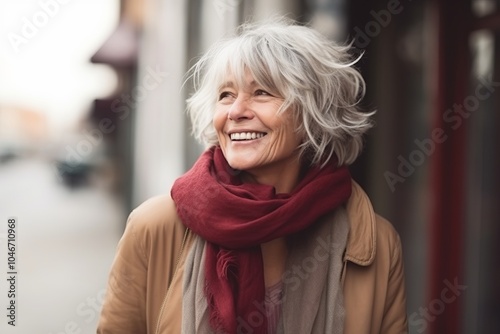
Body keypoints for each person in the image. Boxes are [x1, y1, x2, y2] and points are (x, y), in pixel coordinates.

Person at [97, 18, 408, 334]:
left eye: (261, 92)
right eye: (226, 95)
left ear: (314, 111)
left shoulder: (375, 244)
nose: (235, 111)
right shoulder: (155, 227)